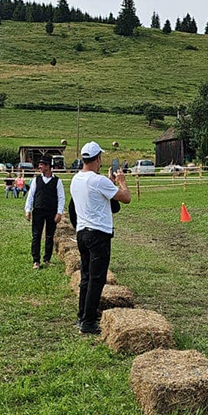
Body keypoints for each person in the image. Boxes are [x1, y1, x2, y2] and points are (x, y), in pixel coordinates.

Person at [70, 141, 131, 334]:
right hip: (99, 235)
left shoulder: (76, 179)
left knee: (86, 277)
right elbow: (125, 198)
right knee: (97, 280)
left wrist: (109, 184)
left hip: (82, 233)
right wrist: (121, 181)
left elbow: (98, 196)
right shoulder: (98, 181)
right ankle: (88, 322)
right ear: (97, 159)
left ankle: (82, 316)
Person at [25, 156, 66, 269]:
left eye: (42, 164)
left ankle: (47, 259)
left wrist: (59, 212)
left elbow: (61, 198)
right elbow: (31, 196)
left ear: (48, 166)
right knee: (36, 236)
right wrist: (28, 210)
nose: (40, 166)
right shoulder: (36, 180)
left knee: (49, 236)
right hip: (38, 210)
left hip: (51, 212)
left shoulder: (57, 181)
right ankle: (36, 261)